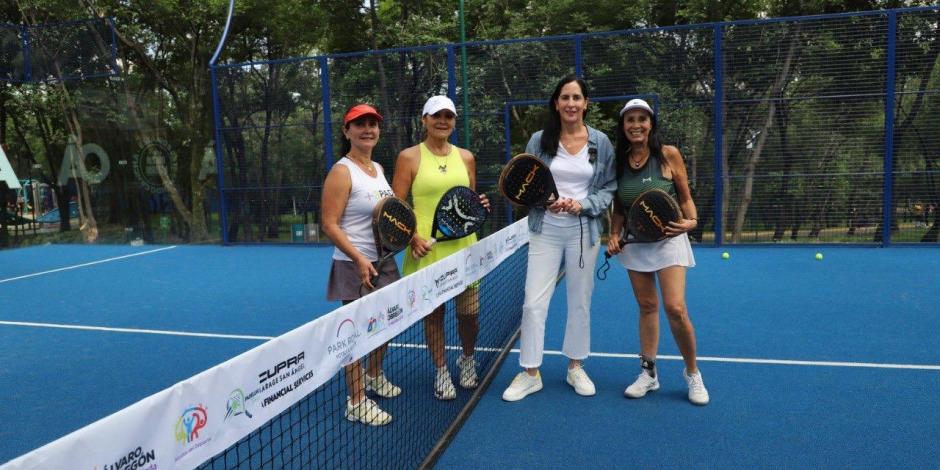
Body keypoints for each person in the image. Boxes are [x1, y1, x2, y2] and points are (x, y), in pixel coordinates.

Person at [501, 75, 617, 402]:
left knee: (580, 301)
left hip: (584, 231)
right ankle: (529, 373)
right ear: (556, 103)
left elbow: (609, 187)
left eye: (577, 97)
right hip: (545, 229)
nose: (570, 104)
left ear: (585, 103)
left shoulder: (601, 142)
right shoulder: (539, 140)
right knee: (533, 302)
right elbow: (524, 182)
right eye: (565, 97)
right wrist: (545, 201)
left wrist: (583, 204)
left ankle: (575, 366)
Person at [606, 98, 709, 406]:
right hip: (635, 242)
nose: (636, 125)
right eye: (630, 120)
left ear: (651, 123)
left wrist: (691, 220)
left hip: (668, 240)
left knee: (675, 308)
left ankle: (693, 374)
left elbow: (685, 196)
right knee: (647, 306)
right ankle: (648, 374)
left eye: (642, 119)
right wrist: (613, 234)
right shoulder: (618, 162)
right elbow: (620, 207)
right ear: (623, 126)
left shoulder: (668, 155)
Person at [392, 95, 488, 400]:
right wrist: (412, 238)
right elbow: (396, 207)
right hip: (426, 250)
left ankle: (467, 360)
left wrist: (480, 204)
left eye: (449, 116)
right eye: (436, 116)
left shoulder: (467, 157)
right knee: (434, 315)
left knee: (469, 315)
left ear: (454, 121)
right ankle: (442, 370)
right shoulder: (409, 157)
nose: (442, 121)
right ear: (425, 120)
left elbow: (467, 201)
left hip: (464, 250)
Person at [321, 104, 401, 425]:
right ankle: (356, 401)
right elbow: (329, 223)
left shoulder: (378, 168)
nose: (368, 129)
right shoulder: (342, 172)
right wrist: (358, 258)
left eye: (373, 124)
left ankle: (373, 375)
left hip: (384, 262)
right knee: (353, 334)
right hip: (354, 266)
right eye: (360, 124)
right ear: (347, 131)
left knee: (386, 325)